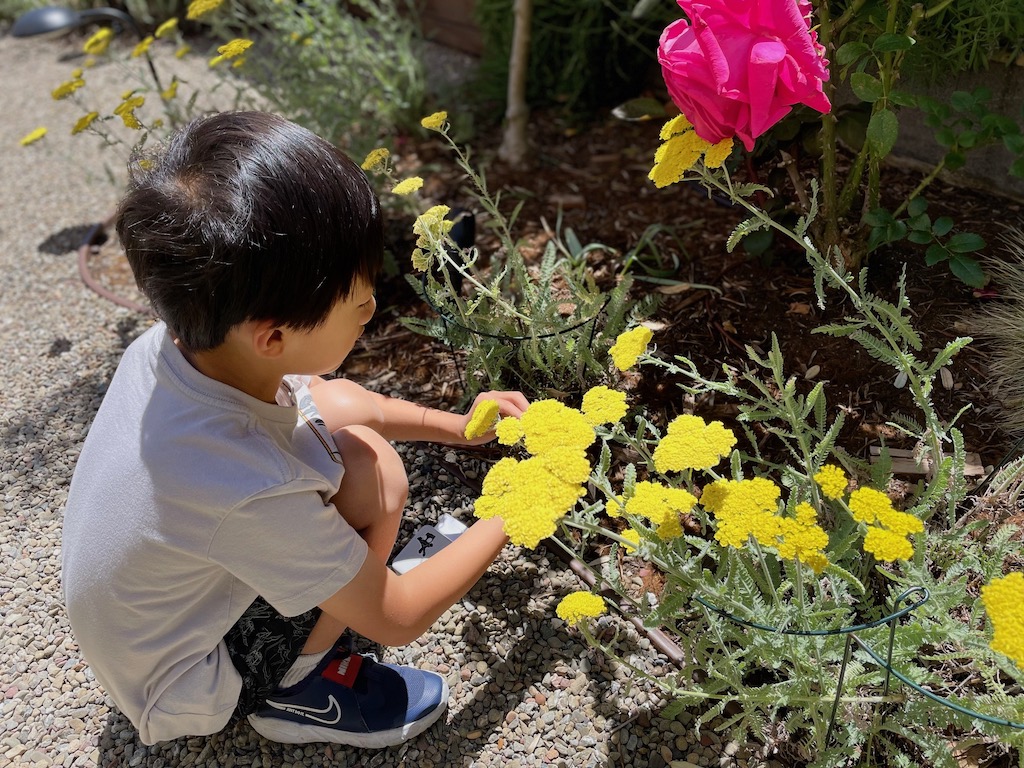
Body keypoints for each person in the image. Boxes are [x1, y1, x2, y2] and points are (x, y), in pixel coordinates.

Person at [61, 111, 527, 748]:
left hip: (154, 625)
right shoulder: (243, 483)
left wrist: (458, 427)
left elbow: (331, 399)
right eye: (358, 297)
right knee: (380, 487)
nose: (372, 305)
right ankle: (296, 689)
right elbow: (398, 616)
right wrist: (519, 507)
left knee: (364, 462)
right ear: (273, 337)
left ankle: (338, 588)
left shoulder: (177, 344)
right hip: (188, 684)